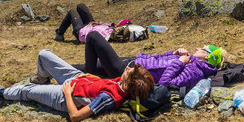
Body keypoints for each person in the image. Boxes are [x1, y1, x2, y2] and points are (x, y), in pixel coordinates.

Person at [0, 49, 155, 122]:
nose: (127, 68)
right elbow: (105, 85)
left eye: (129, 71)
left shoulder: (109, 99)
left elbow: (75, 117)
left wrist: (67, 94)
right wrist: (92, 77)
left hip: (64, 96)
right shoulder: (121, 85)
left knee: (28, 90)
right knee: (44, 54)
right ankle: (43, 77)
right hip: (78, 78)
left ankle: (1, 93)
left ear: (128, 83)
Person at [78, 30, 224, 91]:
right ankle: (64, 74)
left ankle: (89, 80)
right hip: (133, 61)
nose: (199, 48)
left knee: (93, 36)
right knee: (81, 67)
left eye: (203, 48)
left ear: (207, 56)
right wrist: (174, 53)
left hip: (129, 72)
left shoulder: (195, 72)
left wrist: (179, 62)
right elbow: (160, 60)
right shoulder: (190, 59)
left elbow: (166, 83)